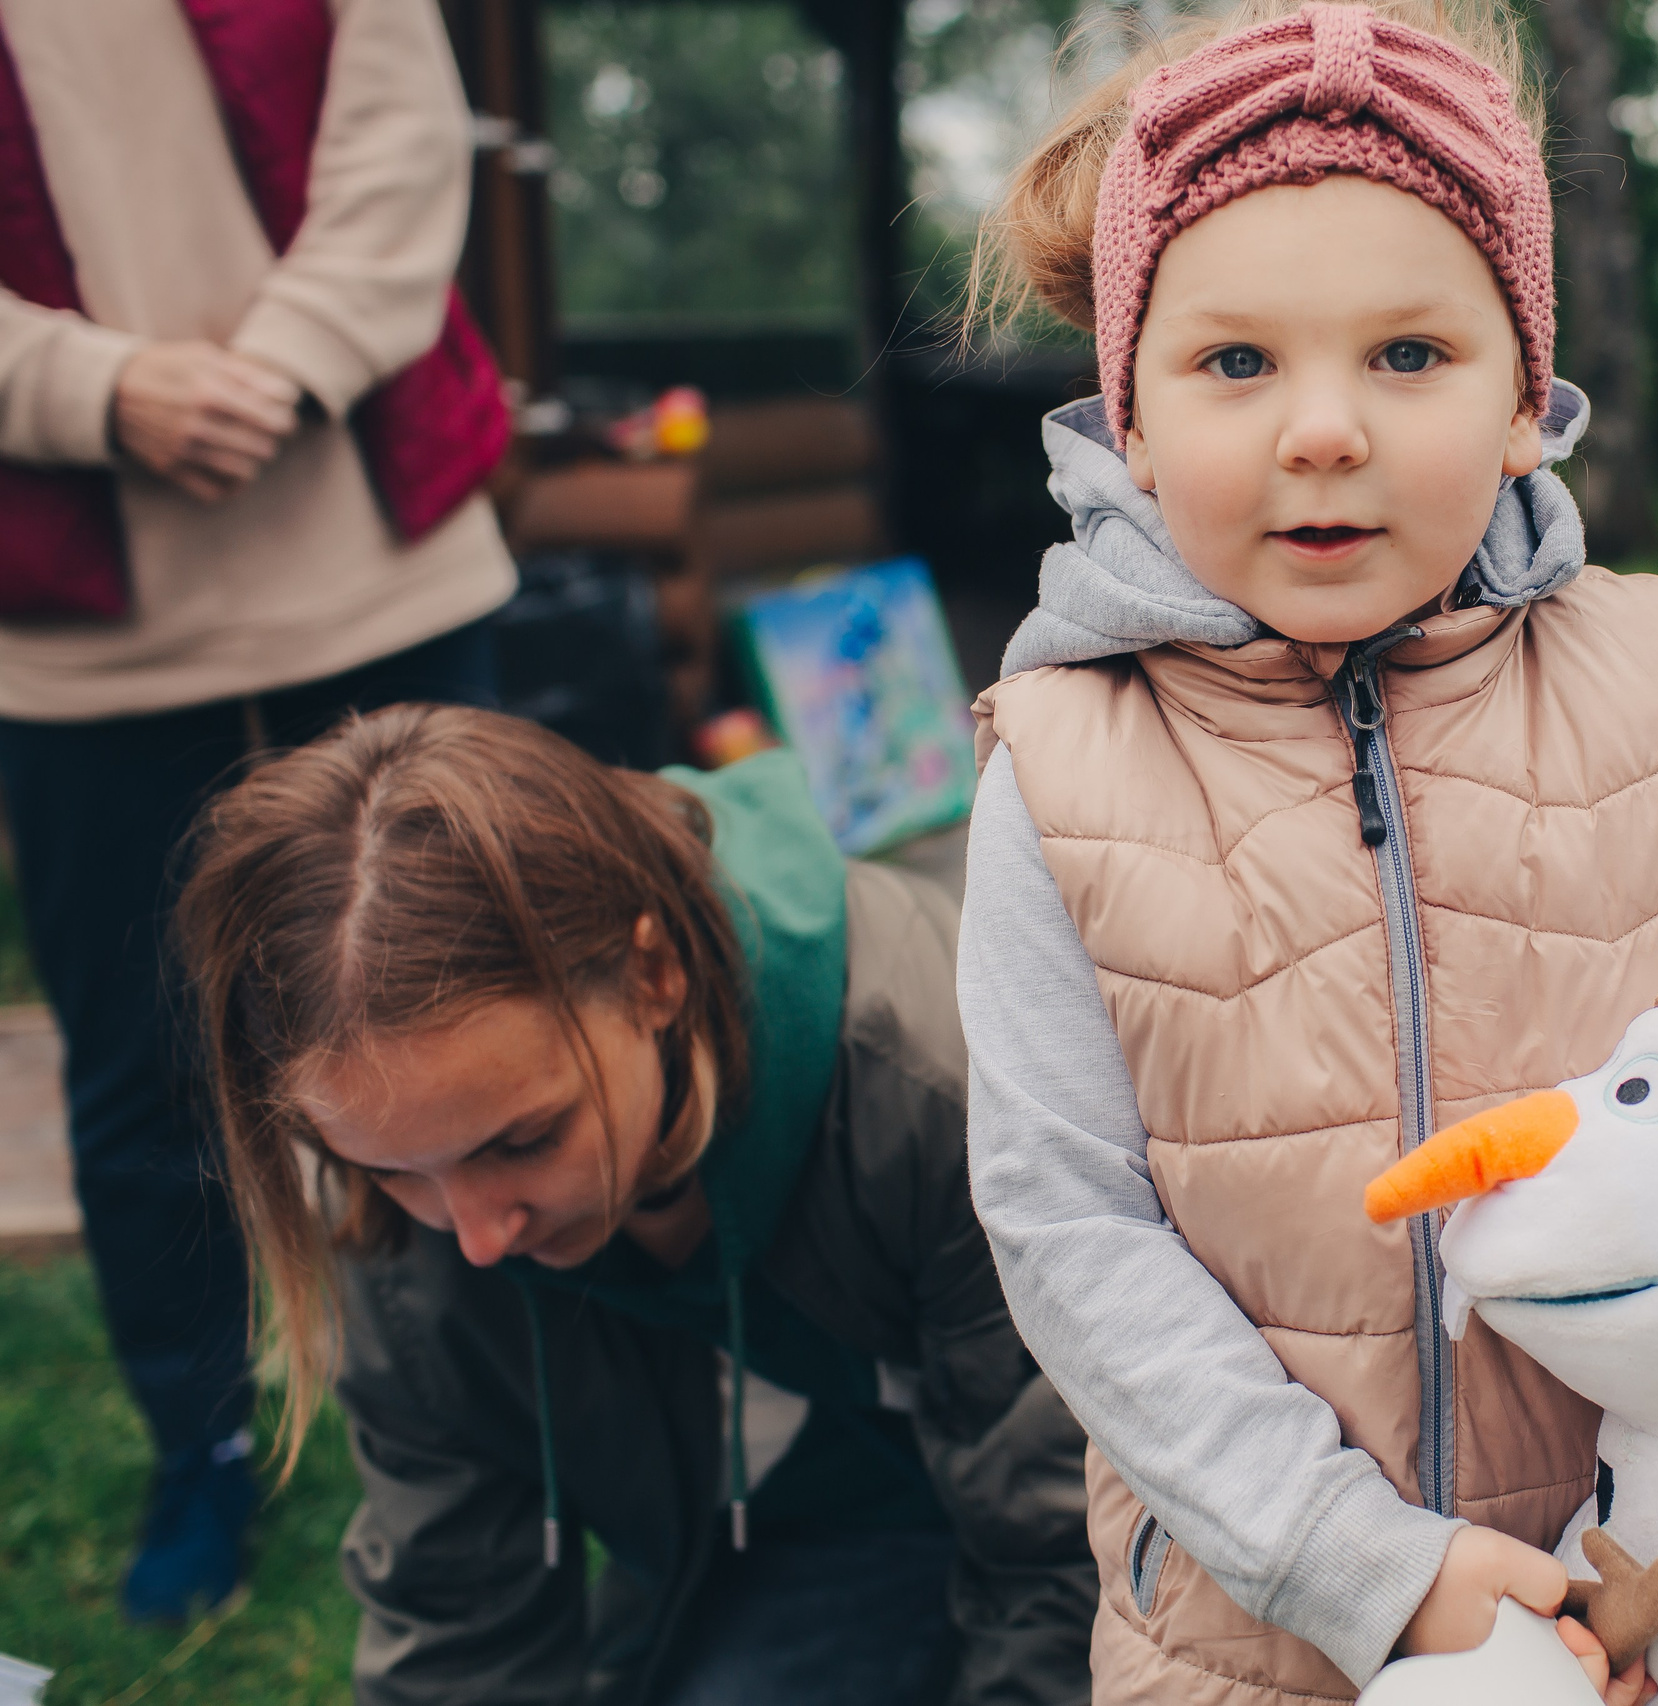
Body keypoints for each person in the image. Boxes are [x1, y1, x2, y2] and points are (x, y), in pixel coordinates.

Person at [954, 3, 1658, 1702]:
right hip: (1249, 1620)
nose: (1324, 429)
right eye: (1236, 362)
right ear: (1127, 416)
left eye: (1409, 355)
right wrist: (1366, 1567)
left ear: (1522, 404)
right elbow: (1068, 1223)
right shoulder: (1057, 767)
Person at [172, 705, 1096, 1705]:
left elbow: (1069, 1551)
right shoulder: (389, 1200)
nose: (479, 1234)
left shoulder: (943, 1087)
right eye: (391, 1167)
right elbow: (458, 1624)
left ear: (654, 971)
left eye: (522, 1140)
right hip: (811, 1537)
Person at [0, 0, 517, 1620]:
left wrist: (277, 369)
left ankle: (524, 1411)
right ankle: (207, 1454)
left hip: (378, 561)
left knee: (486, 1000)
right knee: (146, 1063)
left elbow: (402, 149)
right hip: (85, 621)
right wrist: (98, 388)